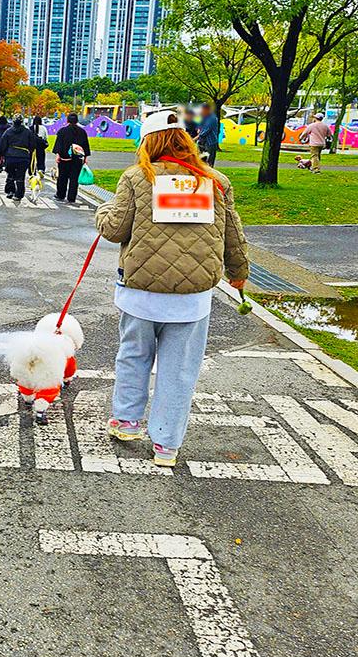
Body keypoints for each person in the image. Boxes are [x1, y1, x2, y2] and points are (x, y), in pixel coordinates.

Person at [95, 110, 249, 468]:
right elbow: (233, 236)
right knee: (180, 369)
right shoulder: (215, 181)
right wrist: (238, 273)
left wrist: (102, 212)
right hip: (192, 299)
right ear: (186, 141)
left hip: (141, 293)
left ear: (147, 143)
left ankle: (127, 421)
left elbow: (115, 229)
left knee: (134, 356)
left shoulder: (137, 178)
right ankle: (166, 444)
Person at [0, 115, 44, 201]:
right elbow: (33, 144)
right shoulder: (28, 132)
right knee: (20, 176)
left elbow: (2, 144)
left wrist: (0, 154)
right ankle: (19, 194)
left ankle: (10, 191)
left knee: (10, 175)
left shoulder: (8, 131)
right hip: (23, 157)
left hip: (10, 156)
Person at [54, 112, 91, 202]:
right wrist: (85, 157)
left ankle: (60, 194)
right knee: (74, 179)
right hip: (77, 159)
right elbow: (85, 146)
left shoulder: (62, 131)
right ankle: (72, 197)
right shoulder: (82, 132)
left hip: (64, 159)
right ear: (77, 121)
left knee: (62, 177)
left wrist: (58, 155)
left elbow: (59, 145)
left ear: (67, 120)